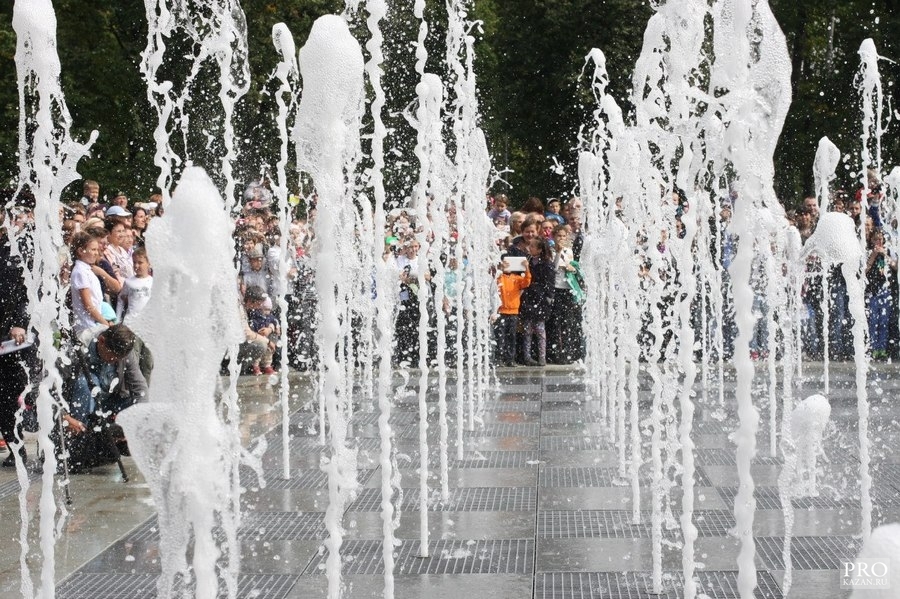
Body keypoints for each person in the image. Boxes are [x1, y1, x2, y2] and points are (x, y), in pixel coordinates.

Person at [0, 196, 36, 467]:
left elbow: (27, 292)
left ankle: (17, 449)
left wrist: (20, 322)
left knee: (8, 396)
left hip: (8, 337)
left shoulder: (13, 248)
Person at [69, 231, 112, 343]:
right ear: (80, 251)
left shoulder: (87, 269)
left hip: (94, 324)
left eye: (97, 250)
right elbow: (88, 305)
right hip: (87, 328)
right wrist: (105, 323)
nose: (96, 253)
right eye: (93, 250)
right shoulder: (80, 272)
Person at [519, 238, 554, 366]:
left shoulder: (546, 263)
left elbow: (549, 282)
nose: (530, 248)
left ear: (540, 249)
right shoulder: (527, 261)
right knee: (527, 329)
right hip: (528, 297)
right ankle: (527, 356)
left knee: (540, 330)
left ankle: (542, 357)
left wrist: (549, 297)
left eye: (533, 246)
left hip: (540, 298)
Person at [494, 255, 531, 367]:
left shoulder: (516, 278)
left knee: (511, 337)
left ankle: (510, 359)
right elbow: (494, 282)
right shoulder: (499, 277)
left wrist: (526, 268)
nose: (508, 265)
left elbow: (527, 282)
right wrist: (500, 269)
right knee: (500, 336)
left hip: (513, 312)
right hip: (501, 311)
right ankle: (499, 358)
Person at [116, 247, 153, 324]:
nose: (136, 265)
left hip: (147, 322)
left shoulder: (153, 282)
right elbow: (121, 299)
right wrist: (117, 319)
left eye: (140, 263)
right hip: (130, 321)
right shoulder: (128, 282)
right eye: (134, 262)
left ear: (149, 263)